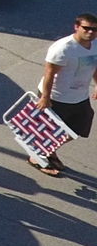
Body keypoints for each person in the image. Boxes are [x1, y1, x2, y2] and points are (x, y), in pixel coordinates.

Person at [30, 13, 97, 177]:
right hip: (56, 97)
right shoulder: (63, 48)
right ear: (76, 27)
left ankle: (48, 150)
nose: (90, 32)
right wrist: (45, 98)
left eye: (94, 29)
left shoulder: (95, 44)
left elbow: (95, 66)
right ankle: (37, 157)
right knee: (50, 130)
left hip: (79, 96)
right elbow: (49, 74)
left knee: (77, 129)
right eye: (86, 28)